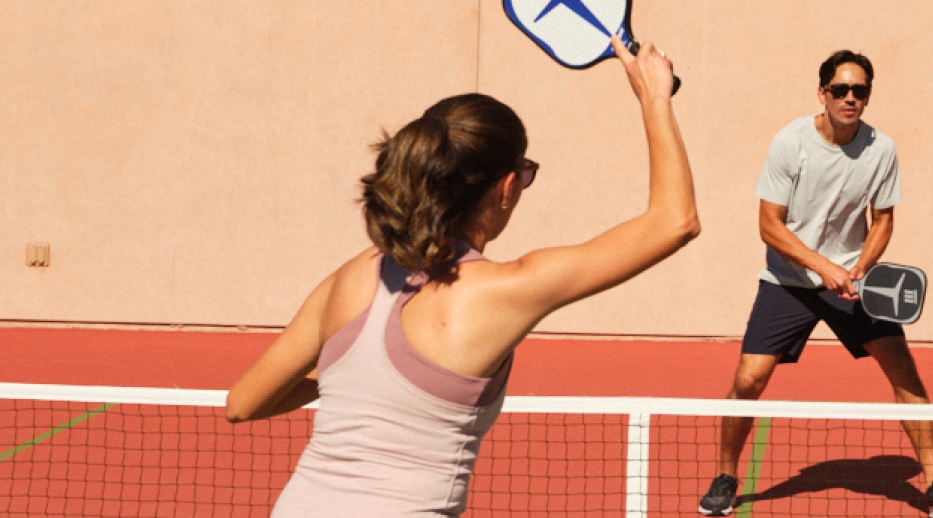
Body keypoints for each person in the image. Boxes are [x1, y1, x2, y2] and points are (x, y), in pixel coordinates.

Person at [228, 38, 695, 517]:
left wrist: (353, 382)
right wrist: (654, 97)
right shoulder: (506, 290)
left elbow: (242, 403)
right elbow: (674, 222)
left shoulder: (349, 278)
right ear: (507, 187)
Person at [698, 50, 933, 517]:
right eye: (841, 89)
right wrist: (824, 268)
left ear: (867, 97)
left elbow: (882, 220)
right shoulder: (791, 142)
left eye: (859, 90)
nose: (850, 98)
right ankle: (725, 477)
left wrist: (861, 269)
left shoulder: (880, 149)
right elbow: (769, 225)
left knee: (904, 372)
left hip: (853, 280)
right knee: (748, 379)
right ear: (822, 93)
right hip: (788, 281)